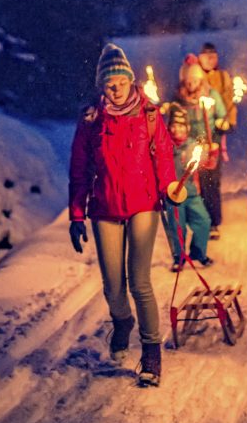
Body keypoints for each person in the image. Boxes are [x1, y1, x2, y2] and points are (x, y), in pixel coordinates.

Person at [68, 43, 175, 388]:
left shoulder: (149, 114)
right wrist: (76, 215)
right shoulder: (91, 121)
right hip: (105, 206)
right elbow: (79, 170)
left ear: (131, 80)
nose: (116, 89)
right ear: (102, 86)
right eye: (109, 84)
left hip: (144, 203)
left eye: (121, 82)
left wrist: (170, 187)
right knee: (113, 286)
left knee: (139, 282)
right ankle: (122, 320)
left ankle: (151, 352)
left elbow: (164, 156)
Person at [178, 58, 227, 238]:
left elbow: (221, 114)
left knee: (210, 184)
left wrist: (221, 123)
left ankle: (213, 222)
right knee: (191, 185)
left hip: (209, 143)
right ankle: (197, 221)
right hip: (190, 146)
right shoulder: (181, 98)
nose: (191, 84)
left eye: (194, 80)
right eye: (188, 80)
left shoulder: (211, 94)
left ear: (200, 80)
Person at [163, 102, 213, 271]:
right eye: (173, 126)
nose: (177, 129)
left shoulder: (193, 145)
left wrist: (211, 154)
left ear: (187, 127)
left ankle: (198, 253)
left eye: (181, 126)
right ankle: (179, 257)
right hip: (173, 194)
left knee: (203, 221)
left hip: (191, 192)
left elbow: (206, 163)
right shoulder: (165, 146)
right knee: (178, 226)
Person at [197, 42, 236, 239]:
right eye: (206, 56)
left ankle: (213, 220)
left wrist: (228, 121)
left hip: (215, 131)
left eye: (213, 56)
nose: (210, 60)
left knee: (211, 179)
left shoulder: (221, 77)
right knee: (198, 181)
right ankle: (199, 219)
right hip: (196, 136)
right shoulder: (195, 77)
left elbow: (228, 100)